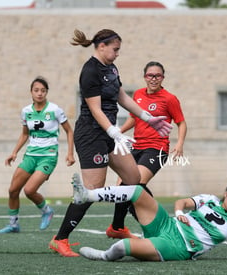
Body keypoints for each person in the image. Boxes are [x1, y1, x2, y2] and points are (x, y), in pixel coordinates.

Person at [49, 29, 172, 256]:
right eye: (115, 50)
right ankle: (60, 239)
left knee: (133, 178)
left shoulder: (111, 68)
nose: (117, 54)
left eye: (118, 50)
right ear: (102, 46)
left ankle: (117, 227)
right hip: (91, 135)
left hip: (109, 133)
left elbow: (122, 97)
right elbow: (95, 109)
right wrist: (114, 132)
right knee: (92, 189)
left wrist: (148, 118)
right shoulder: (90, 71)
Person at [70, 176, 227, 261]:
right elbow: (181, 203)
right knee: (137, 190)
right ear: (226, 193)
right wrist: (179, 214)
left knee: (122, 246)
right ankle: (86, 195)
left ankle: (102, 256)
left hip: (178, 246)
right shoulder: (208, 199)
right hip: (169, 224)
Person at [106, 61, 187, 239]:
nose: (154, 79)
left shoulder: (169, 98)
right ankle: (121, 227)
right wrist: (118, 132)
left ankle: (121, 227)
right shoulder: (138, 94)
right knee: (123, 188)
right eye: (150, 75)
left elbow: (181, 122)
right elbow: (134, 118)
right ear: (145, 77)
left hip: (157, 149)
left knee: (132, 185)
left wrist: (179, 144)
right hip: (136, 147)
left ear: (163, 78)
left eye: (158, 75)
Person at [0, 76, 75, 234]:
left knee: (30, 190)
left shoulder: (54, 110)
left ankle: (47, 211)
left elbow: (69, 131)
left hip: (48, 156)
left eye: (43, 91)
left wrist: (70, 153)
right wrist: (14, 153)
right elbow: (24, 134)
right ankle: (13, 224)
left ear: (47, 92)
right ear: (31, 92)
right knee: (13, 190)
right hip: (31, 155)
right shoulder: (26, 111)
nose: (39, 93)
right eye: (36, 90)